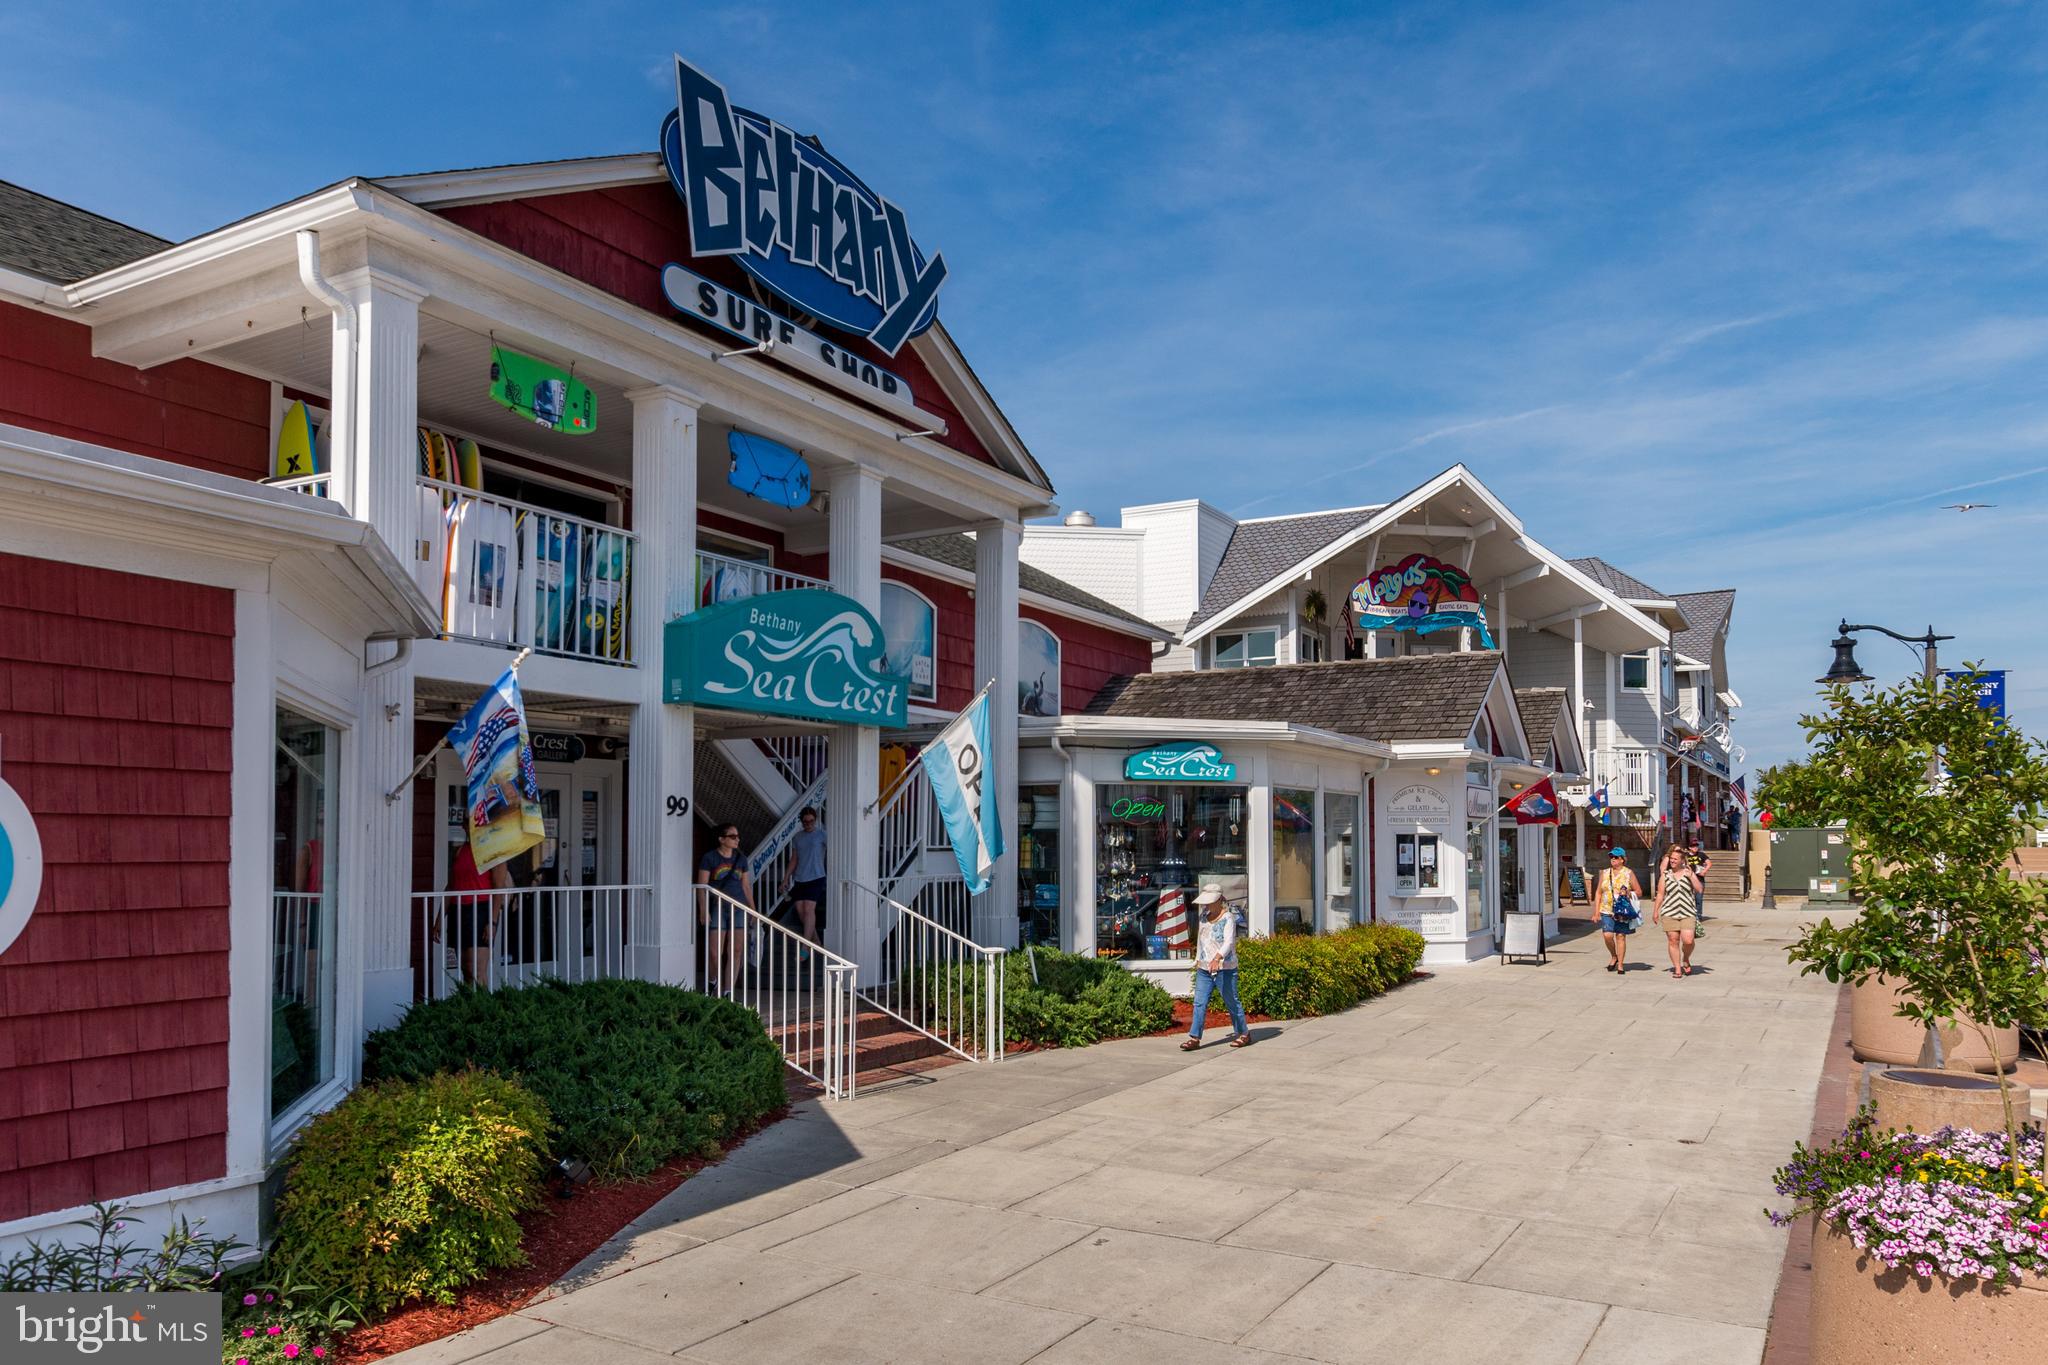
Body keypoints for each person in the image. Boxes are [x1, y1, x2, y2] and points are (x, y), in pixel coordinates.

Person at [1181, 884, 1250, 1050]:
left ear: (1219, 900)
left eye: (1209, 902)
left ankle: (1244, 1034)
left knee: (1231, 1001)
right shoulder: (1204, 916)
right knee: (1199, 1002)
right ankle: (1195, 1037)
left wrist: (1217, 958)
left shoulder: (1228, 918)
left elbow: (1229, 942)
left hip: (1225, 968)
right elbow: (1201, 939)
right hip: (1204, 968)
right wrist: (1198, 959)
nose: (1206, 905)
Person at [446, 840, 512, 987]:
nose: (469, 825)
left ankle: (483, 1006)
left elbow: (498, 889)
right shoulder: (460, 850)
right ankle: (470, 1004)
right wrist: (440, 918)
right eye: (465, 821)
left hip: (481, 909)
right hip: (458, 909)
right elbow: (451, 885)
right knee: (466, 968)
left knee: (476, 969)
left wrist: (492, 921)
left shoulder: (492, 849)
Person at [696, 824, 753, 994]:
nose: (737, 839)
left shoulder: (741, 858)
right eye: (732, 836)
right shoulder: (710, 858)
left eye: (737, 836)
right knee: (715, 952)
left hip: (739, 907)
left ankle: (728, 991)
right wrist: (703, 909)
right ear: (721, 839)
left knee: (735, 951)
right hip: (718, 907)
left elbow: (746, 886)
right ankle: (713, 980)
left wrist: (753, 910)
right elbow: (702, 886)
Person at [1654, 845, 1703, 978]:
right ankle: (1677, 968)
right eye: (1671, 859)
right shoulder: (1665, 875)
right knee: (1673, 940)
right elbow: (1660, 894)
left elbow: (1699, 889)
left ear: (1682, 860)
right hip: (1670, 911)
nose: (1673, 861)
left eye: (1675, 859)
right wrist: (1656, 911)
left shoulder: (1688, 872)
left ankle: (1685, 959)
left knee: (1688, 940)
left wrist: (1692, 876)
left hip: (1688, 911)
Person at [1593, 846, 1643, 975]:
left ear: (1622, 859)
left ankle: (1620, 964)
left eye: (1616, 857)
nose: (1613, 859)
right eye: (1611, 857)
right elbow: (1598, 892)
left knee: (1620, 936)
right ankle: (1613, 955)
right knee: (1607, 935)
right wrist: (1596, 912)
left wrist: (1628, 892)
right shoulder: (1604, 873)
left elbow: (1639, 892)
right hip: (1606, 909)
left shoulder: (1628, 873)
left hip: (1622, 911)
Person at [785, 806, 828, 946]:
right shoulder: (798, 837)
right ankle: (815, 940)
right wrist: (786, 878)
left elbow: (833, 850)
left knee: (809, 910)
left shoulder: (822, 835)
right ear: (801, 822)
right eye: (805, 821)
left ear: (815, 820)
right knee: (800, 911)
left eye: (811, 821)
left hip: (816, 876)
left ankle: (805, 946)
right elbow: (794, 859)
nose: (808, 824)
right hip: (800, 877)